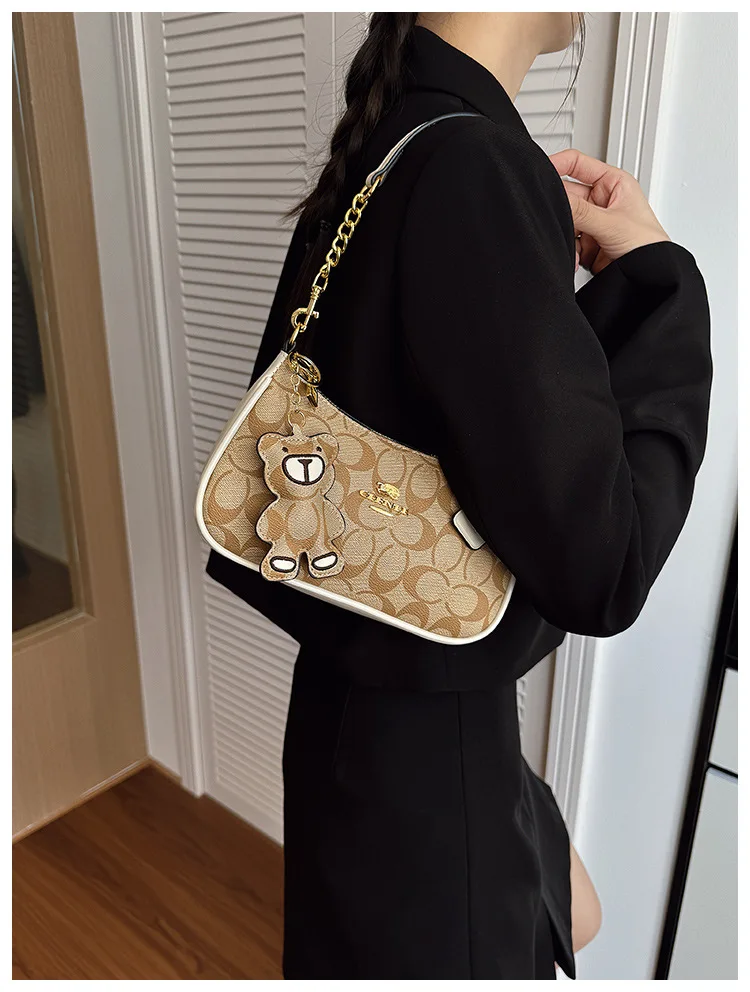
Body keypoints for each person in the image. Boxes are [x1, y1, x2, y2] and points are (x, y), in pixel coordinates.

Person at [206, 12, 713, 980]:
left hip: (361, 712)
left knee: (570, 911)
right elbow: (606, 563)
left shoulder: (391, 136)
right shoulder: (472, 164)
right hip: (428, 756)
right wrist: (660, 284)